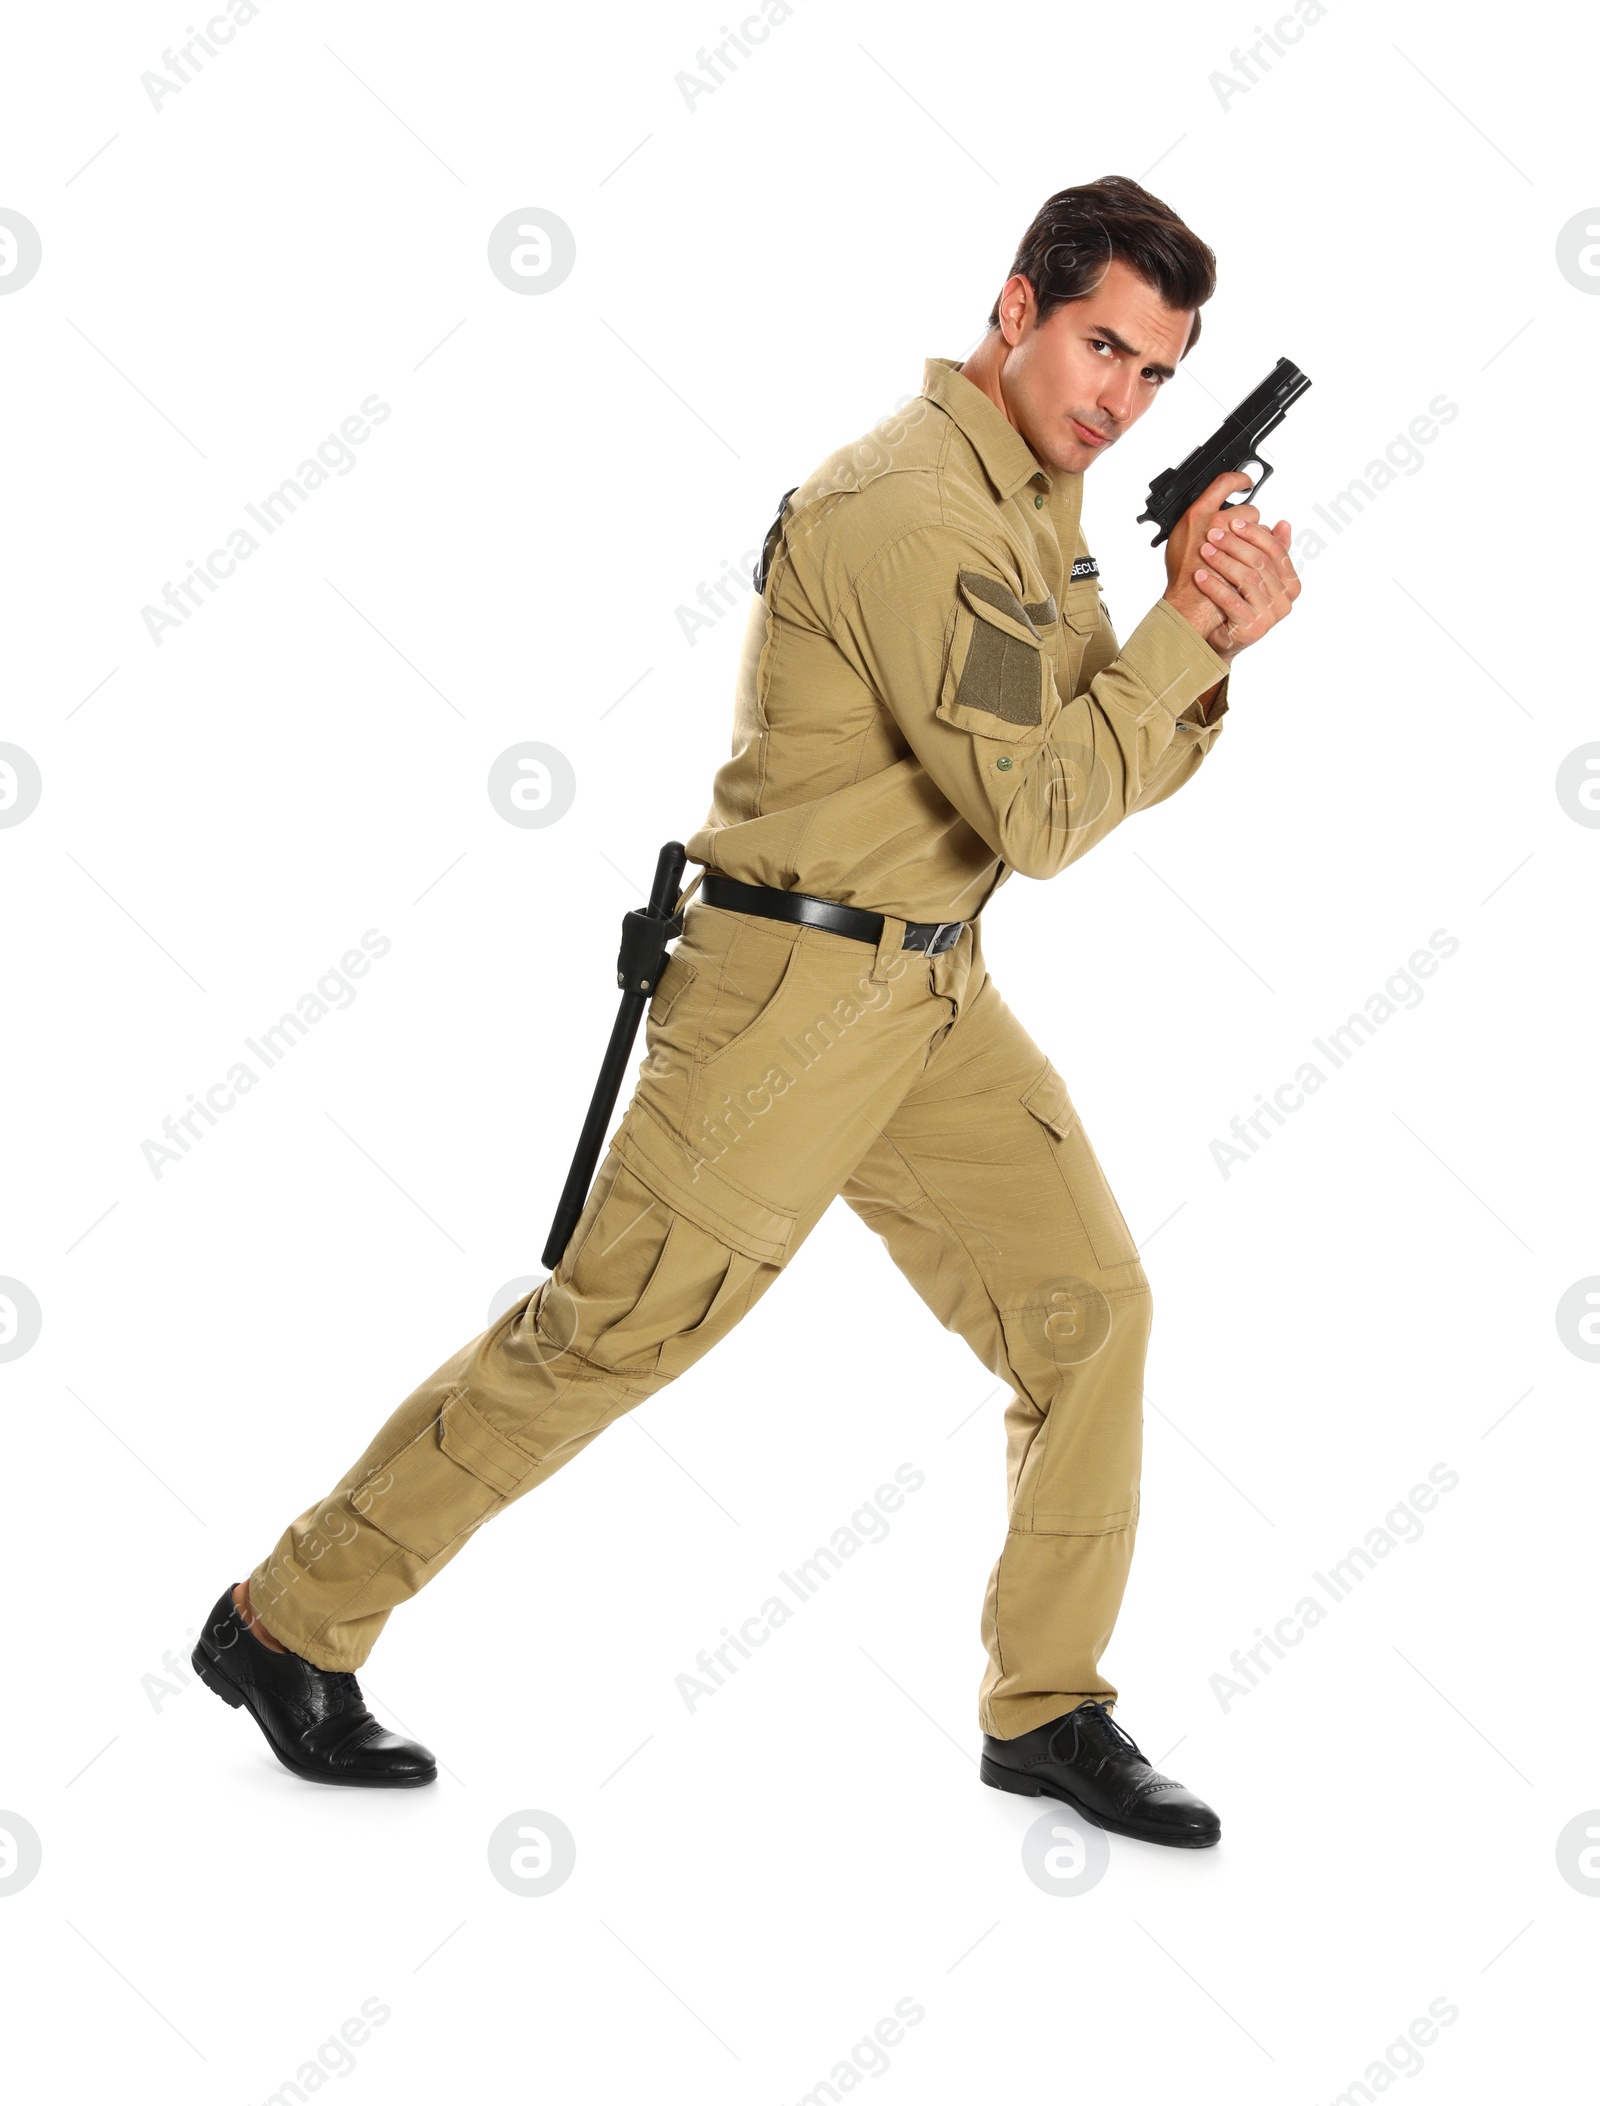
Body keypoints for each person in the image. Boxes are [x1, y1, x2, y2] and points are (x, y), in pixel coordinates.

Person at [194, 174, 1299, 1843]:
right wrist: (1182, 640)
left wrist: (1198, 643)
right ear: (1016, 309)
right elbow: (1054, 813)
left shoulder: (1035, 500)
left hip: (928, 987)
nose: (1119, 400)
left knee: (1089, 1309)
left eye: (1154, 374)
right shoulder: (917, 512)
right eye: (1100, 347)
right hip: (789, 996)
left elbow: (1071, 746)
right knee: (610, 1334)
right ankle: (285, 1621)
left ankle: (1049, 1703)